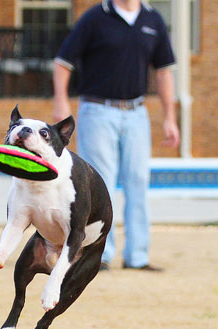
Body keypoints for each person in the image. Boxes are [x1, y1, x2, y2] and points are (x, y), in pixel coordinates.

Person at [52, 0, 180, 272]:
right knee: (100, 184)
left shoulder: (152, 20)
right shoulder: (95, 17)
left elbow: (164, 71)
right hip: (98, 111)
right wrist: (61, 102)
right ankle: (100, 255)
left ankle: (137, 256)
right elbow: (63, 63)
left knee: (138, 182)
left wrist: (170, 117)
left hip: (136, 113)